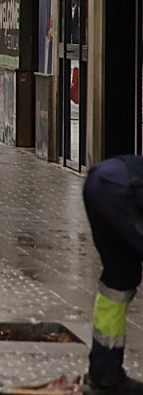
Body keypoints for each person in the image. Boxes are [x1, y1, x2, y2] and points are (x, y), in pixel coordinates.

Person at [82, 155, 143, 393]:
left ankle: (104, 374)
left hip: (96, 182)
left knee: (119, 277)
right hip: (120, 190)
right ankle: (104, 375)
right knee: (120, 275)